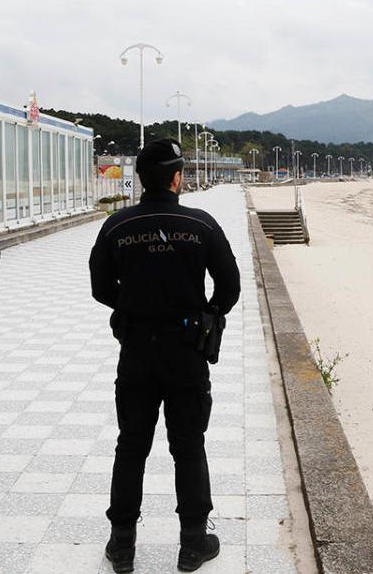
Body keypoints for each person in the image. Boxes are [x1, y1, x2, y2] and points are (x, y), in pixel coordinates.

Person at [89, 138, 240, 573]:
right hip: (185, 350)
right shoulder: (201, 225)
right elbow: (228, 287)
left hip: (136, 348)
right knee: (189, 446)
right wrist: (206, 314)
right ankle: (192, 544)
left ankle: (122, 546)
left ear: (139, 178)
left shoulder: (117, 226)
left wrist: (133, 305)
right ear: (177, 178)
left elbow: (100, 288)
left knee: (131, 445)